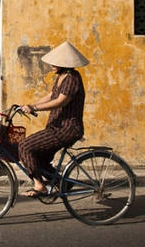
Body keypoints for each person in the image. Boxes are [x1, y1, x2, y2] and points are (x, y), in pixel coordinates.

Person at [18, 41, 89, 198]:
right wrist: (31, 105)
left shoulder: (72, 78)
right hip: (56, 127)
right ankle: (63, 183)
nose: (52, 65)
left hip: (66, 128)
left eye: (56, 62)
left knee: (24, 146)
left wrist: (35, 108)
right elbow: (52, 96)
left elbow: (61, 101)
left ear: (65, 63)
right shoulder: (61, 77)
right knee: (39, 159)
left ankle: (39, 185)